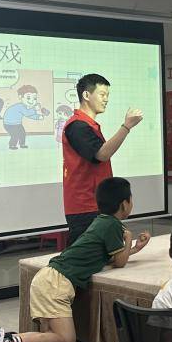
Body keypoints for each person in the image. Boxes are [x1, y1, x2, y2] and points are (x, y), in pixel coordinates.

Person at [2, 177, 150, 342]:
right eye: (131, 199)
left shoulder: (102, 221)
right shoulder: (113, 225)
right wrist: (128, 239)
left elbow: (112, 257)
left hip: (47, 279)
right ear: (124, 204)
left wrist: (135, 248)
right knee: (66, 339)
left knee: (51, 337)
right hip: (55, 284)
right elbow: (120, 262)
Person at [62, 73, 143, 245]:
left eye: (108, 95)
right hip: (85, 206)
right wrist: (127, 126)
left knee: (105, 254)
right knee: (87, 256)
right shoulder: (77, 126)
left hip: (96, 203)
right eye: (102, 94)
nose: (106, 99)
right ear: (86, 95)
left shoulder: (89, 125)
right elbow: (102, 154)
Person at [0, 84, 48, 149]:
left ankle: (22, 144)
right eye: (28, 98)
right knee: (15, 135)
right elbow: (27, 113)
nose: (32, 101)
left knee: (22, 134)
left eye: (34, 98)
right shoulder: (20, 106)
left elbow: (30, 115)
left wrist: (38, 117)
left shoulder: (26, 107)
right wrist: (36, 110)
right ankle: (12, 145)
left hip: (17, 123)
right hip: (9, 124)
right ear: (20, 97)